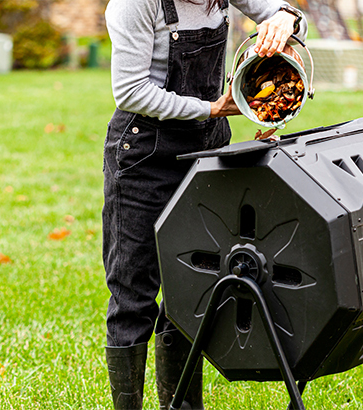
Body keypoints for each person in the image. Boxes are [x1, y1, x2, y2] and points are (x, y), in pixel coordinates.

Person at [102, 0, 307, 408]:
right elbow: (129, 91)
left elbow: (284, 15)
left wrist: (287, 20)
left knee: (191, 290)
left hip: (207, 150)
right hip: (145, 155)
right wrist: (211, 108)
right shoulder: (134, 5)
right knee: (133, 296)